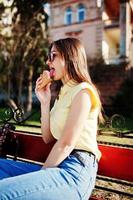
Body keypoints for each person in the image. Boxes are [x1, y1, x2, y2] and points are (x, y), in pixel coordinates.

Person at [0, 38, 103, 200]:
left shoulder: (83, 91)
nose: (48, 62)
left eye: (53, 56)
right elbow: (48, 137)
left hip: (76, 171)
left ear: (70, 58)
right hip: (57, 166)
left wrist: (37, 179)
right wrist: (45, 101)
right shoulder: (62, 95)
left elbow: (66, 143)